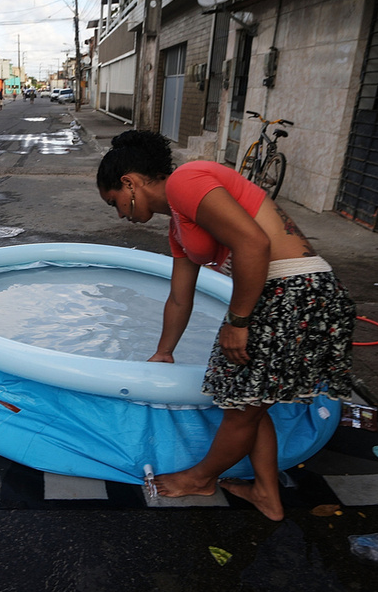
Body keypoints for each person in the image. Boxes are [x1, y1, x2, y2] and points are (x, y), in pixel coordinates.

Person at [96, 130, 356, 521]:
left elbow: (254, 243)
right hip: (280, 294)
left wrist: (238, 321)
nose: (119, 214)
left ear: (129, 183)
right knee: (245, 400)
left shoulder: (188, 180)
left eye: (114, 202)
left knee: (240, 408)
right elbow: (180, 297)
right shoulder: (179, 226)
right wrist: (164, 352)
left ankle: (201, 478)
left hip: (297, 290)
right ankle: (267, 493)